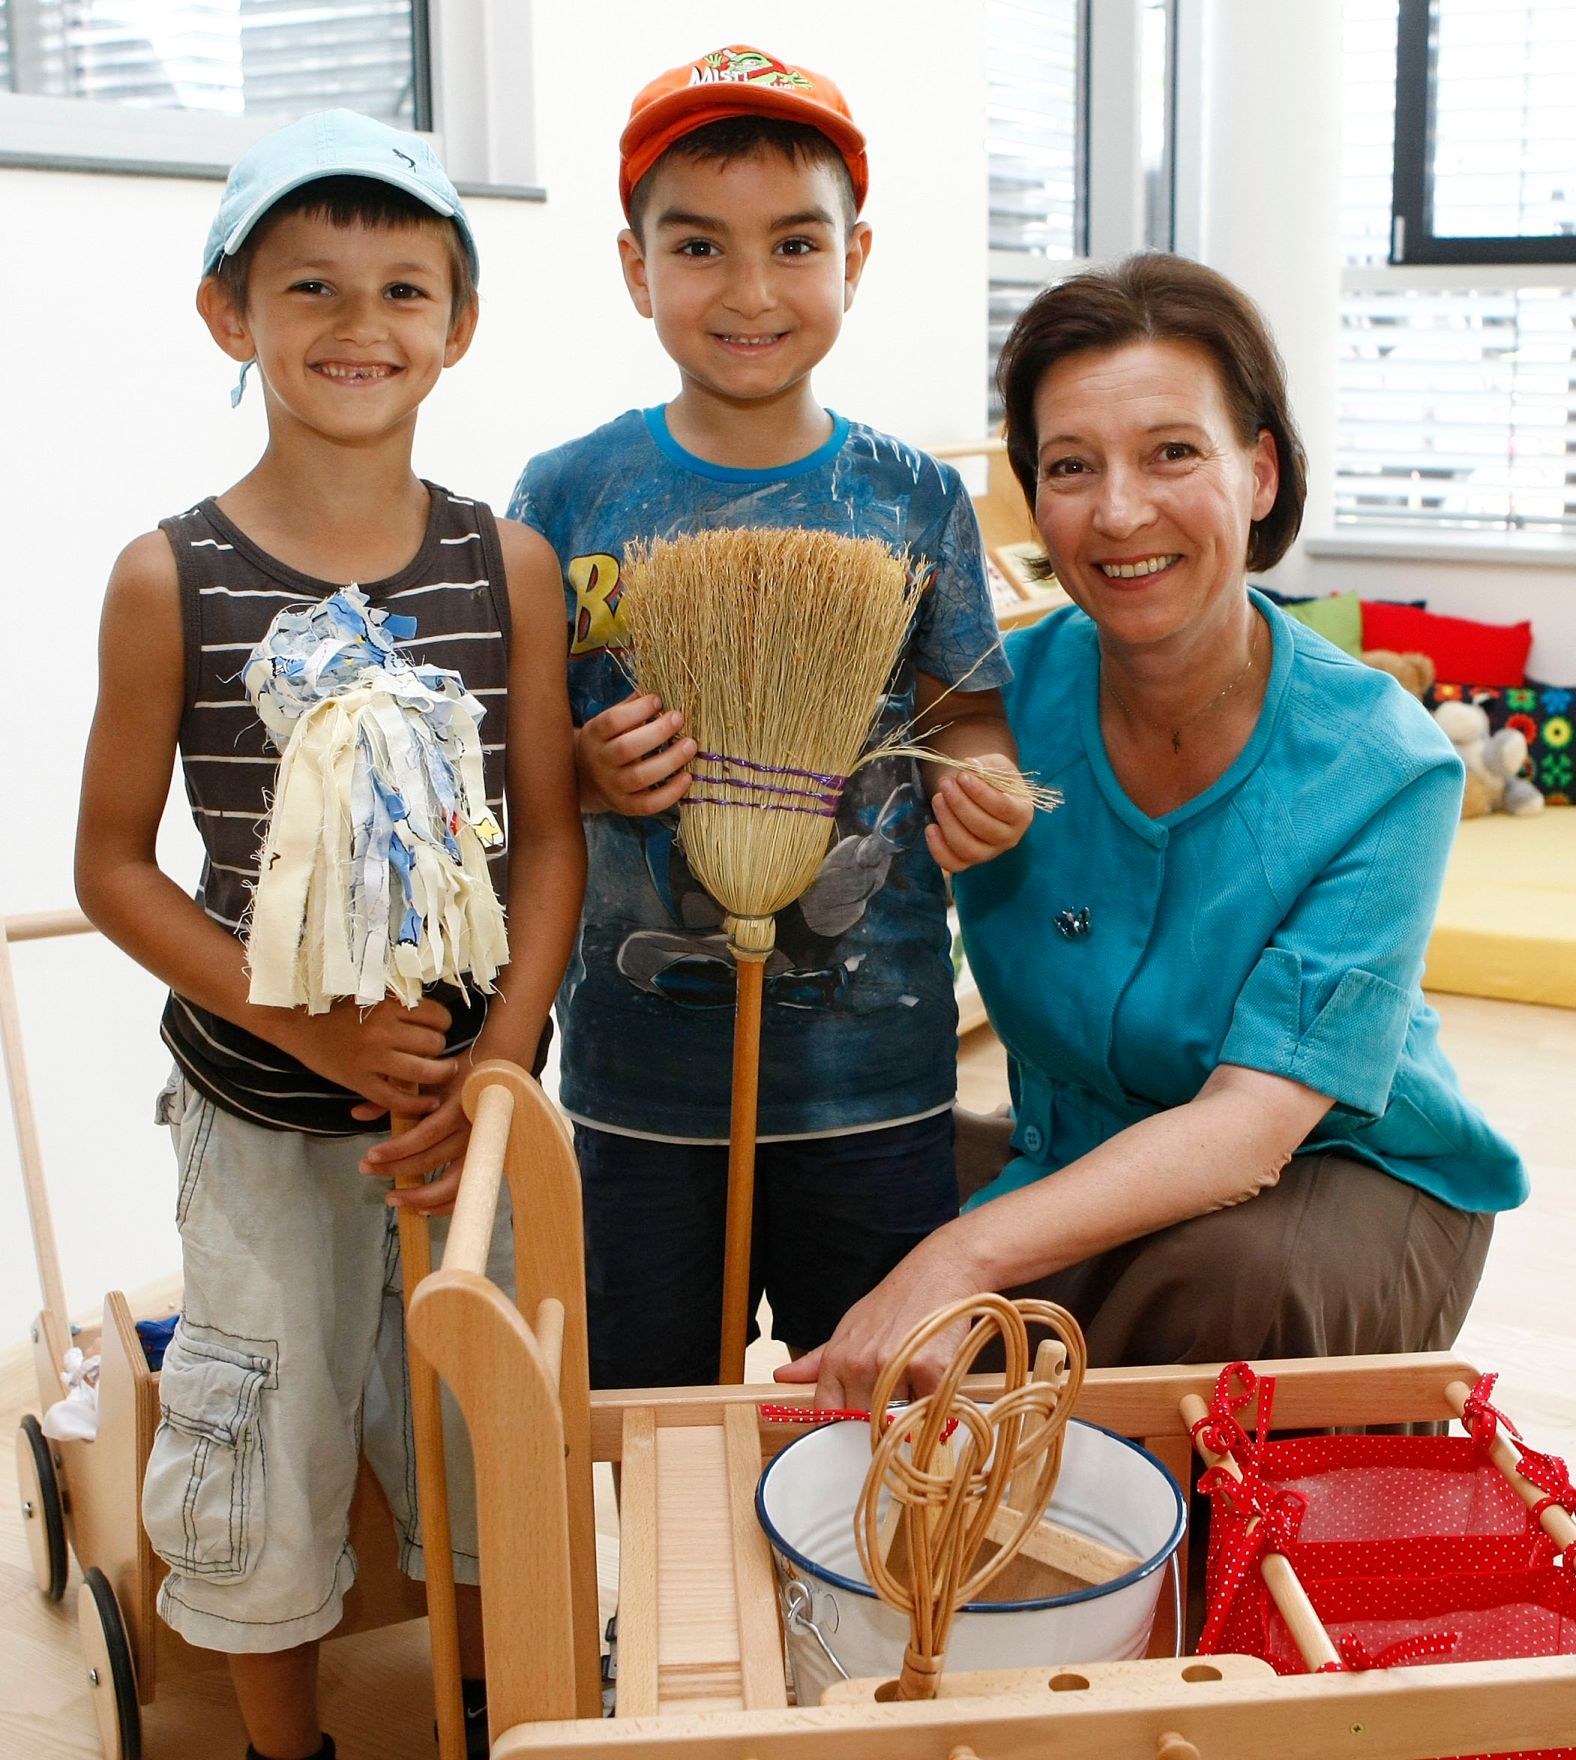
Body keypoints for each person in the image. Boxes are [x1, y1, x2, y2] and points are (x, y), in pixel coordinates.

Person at [778, 253, 1527, 1409]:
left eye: (1172, 452)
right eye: (1071, 465)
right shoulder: (982, 710)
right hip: (1077, 1146)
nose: (1119, 511)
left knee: (1226, 1286)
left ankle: (1162, 1519)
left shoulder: (1384, 765)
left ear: (1259, 472)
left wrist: (964, 1253)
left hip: (1342, 1171)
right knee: (835, 1188)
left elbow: (1250, 1128)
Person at [75, 110, 584, 1760]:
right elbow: (113, 867)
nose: (360, 326)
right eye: (311, 287)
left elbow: (551, 837)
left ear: (459, 324)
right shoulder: (168, 576)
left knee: (481, 1426)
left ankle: (496, 1715)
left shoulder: (508, 565)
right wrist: (308, 1029)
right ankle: (282, 1744)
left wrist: (497, 1070)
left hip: (467, 1124)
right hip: (261, 1117)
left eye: (403, 290)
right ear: (229, 313)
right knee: (262, 1434)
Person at [508, 44, 1034, 1390]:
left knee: (878, 1416)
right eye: (698, 246)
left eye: (795, 244)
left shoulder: (912, 497)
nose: (750, 290)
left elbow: (965, 717)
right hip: (638, 1089)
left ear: (854, 258)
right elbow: (509, 771)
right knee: (652, 1416)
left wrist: (982, 786)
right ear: (636, 269)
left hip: (876, 1076)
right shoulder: (567, 496)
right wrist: (584, 769)